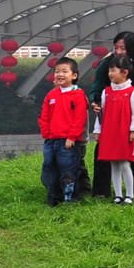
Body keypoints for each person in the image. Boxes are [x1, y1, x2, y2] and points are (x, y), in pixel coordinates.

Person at [38, 60, 89, 206]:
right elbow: (44, 116)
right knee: (49, 168)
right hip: (51, 140)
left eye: (64, 71)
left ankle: (70, 198)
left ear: (74, 75)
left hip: (68, 141)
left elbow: (80, 118)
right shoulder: (52, 94)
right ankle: (54, 197)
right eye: (57, 71)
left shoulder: (78, 94)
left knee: (68, 169)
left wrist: (72, 136)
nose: (60, 74)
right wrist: (46, 134)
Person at [96, 55, 134, 205]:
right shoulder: (106, 92)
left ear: (125, 72)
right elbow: (101, 113)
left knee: (124, 164)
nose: (110, 73)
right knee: (113, 164)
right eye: (110, 70)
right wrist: (98, 130)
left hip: (124, 133)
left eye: (113, 70)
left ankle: (129, 194)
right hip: (109, 132)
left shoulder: (133, 93)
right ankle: (118, 194)